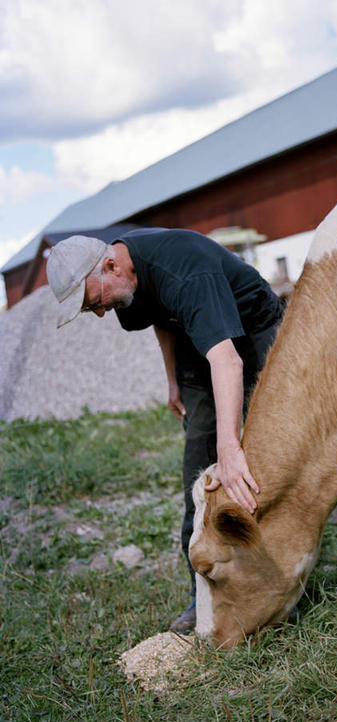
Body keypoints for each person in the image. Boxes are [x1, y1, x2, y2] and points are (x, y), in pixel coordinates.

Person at [46, 228, 284, 633]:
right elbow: (162, 315)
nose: (101, 313)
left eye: (95, 303)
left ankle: (278, 586)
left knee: (266, 460)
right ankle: (203, 594)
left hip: (255, 334)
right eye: (91, 310)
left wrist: (230, 450)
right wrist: (172, 378)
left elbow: (227, 361)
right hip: (198, 346)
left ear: (110, 266)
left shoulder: (184, 270)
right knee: (199, 473)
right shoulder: (124, 279)